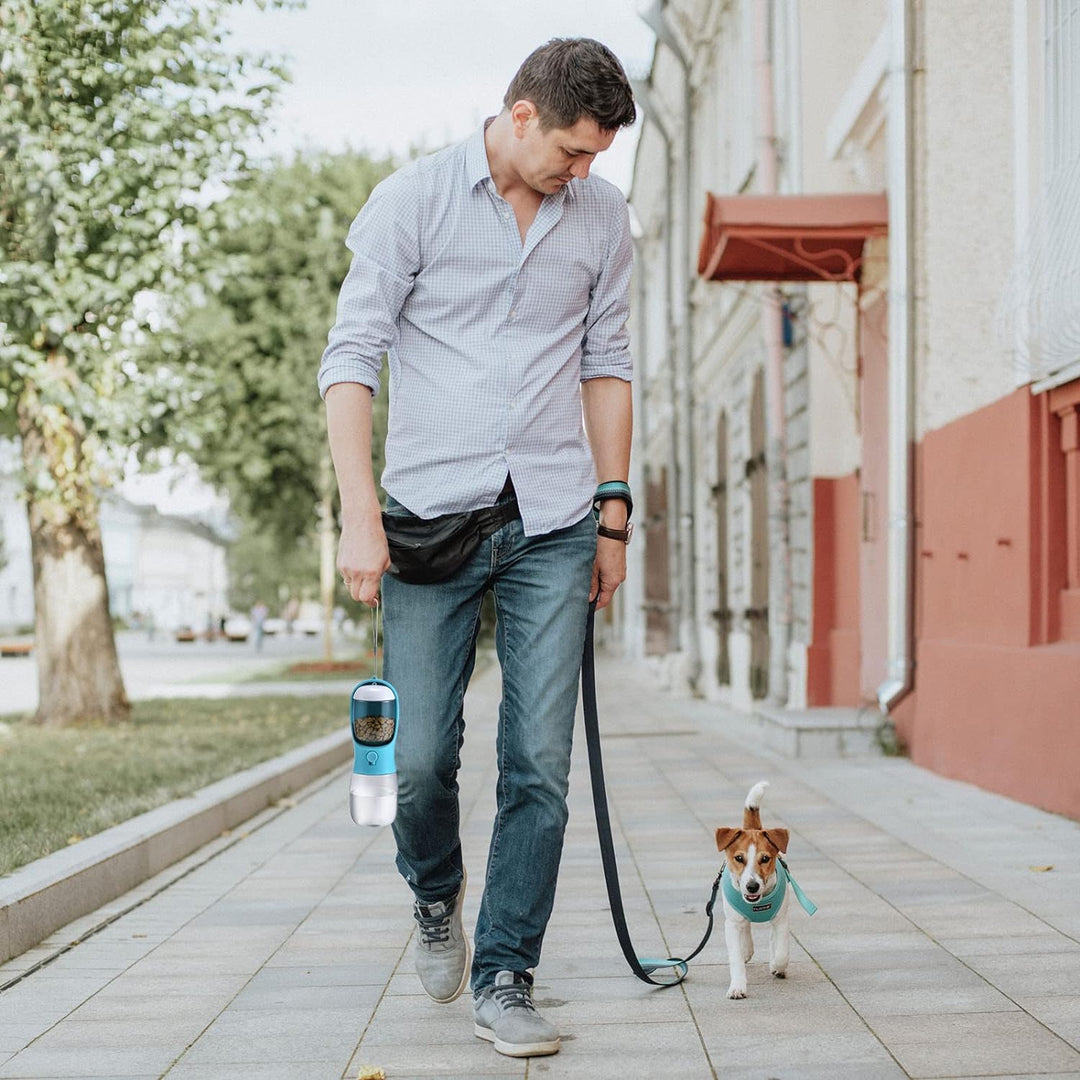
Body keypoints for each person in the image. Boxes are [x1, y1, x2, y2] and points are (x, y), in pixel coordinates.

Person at [319, 38, 635, 1059]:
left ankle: (507, 972)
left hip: (552, 518)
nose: (583, 173)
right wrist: (358, 512)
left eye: (597, 157)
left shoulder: (603, 220)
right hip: (426, 520)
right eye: (572, 153)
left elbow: (609, 360)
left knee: (537, 763)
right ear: (520, 114)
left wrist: (614, 513)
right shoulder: (411, 201)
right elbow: (352, 357)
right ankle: (434, 893)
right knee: (415, 762)